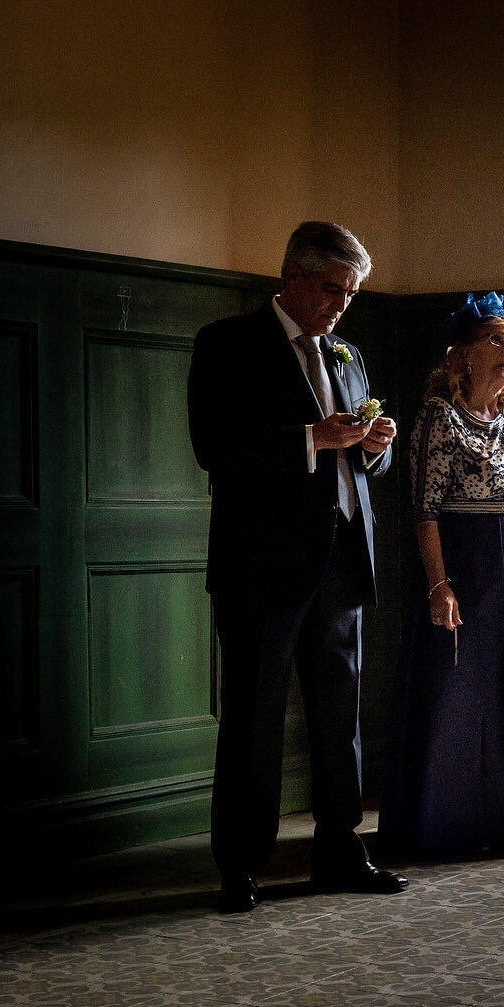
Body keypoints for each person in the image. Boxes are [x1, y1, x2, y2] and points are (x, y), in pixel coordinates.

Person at [188, 220, 408, 914]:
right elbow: (216, 449)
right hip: (262, 568)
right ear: (292, 277)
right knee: (252, 719)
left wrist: (375, 446)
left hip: (343, 561)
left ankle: (341, 852)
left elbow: (368, 464)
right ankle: (241, 866)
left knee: (339, 717)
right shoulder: (228, 345)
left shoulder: (348, 354)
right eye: (332, 288)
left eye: (351, 293)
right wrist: (311, 437)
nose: (342, 304)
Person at [379, 293, 504, 853]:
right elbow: (424, 509)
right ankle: (449, 815)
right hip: (466, 558)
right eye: (495, 339)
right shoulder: (438, 417)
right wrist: (438, 584)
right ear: (463, 354)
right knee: (459, 682)